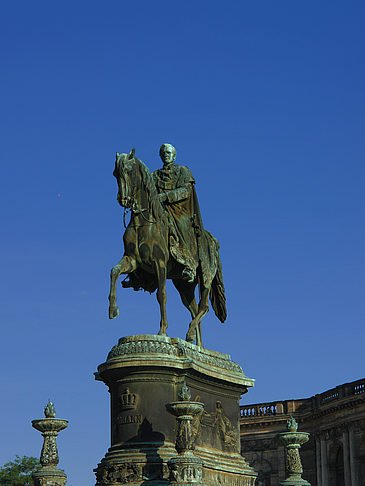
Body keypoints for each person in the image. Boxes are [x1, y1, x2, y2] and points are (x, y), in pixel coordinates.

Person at [152, 143, 204, 282]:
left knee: (182, 226)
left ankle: (189, 264)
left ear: (174, 156)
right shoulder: (155, 175)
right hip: (160, 210)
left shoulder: (183, 171)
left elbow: (186, 191)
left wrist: (165, 197)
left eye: (168, 153)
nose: (166, 155)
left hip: (179, 211)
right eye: (163, 153)